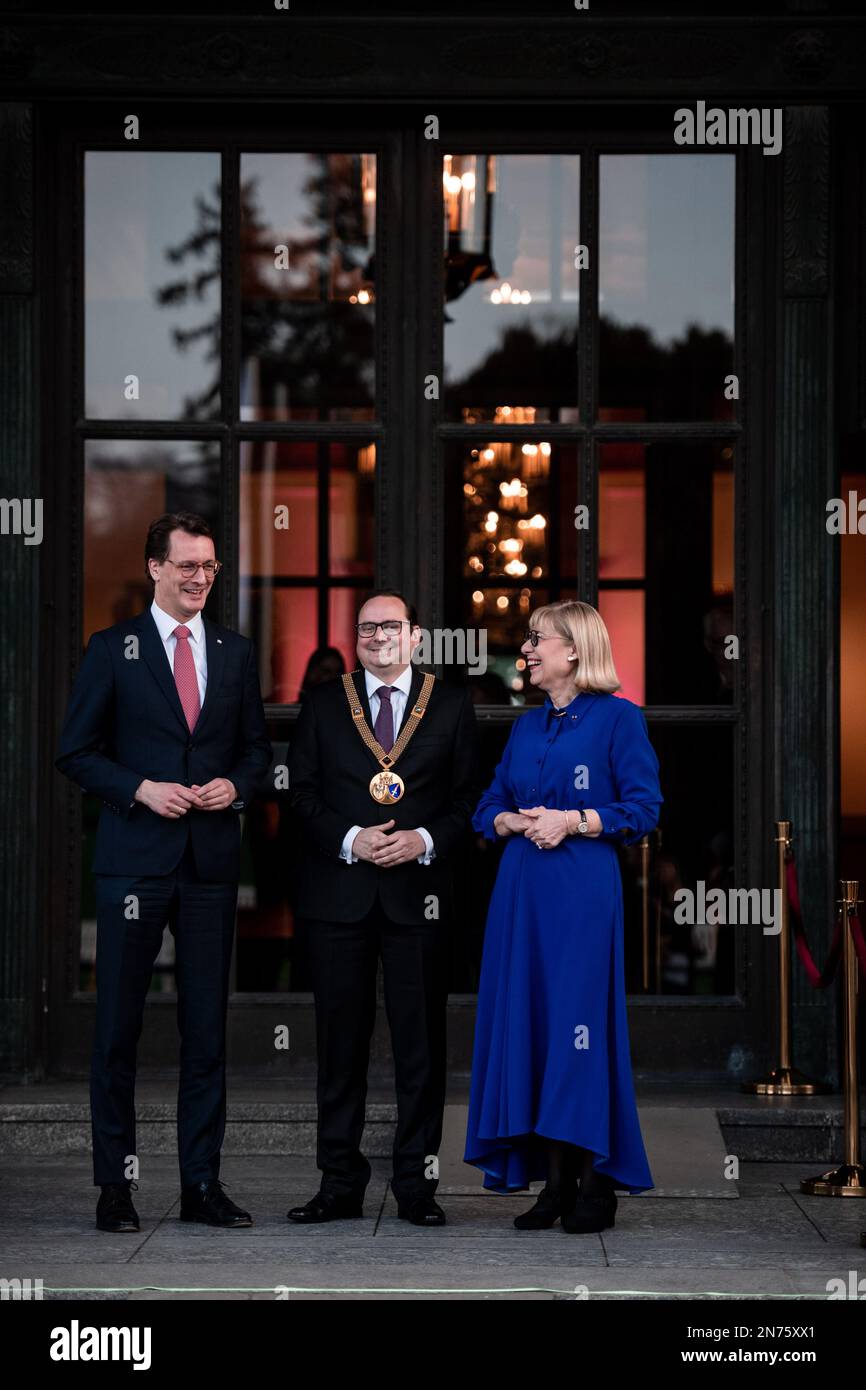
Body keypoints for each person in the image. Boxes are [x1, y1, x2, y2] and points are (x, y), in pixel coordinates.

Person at [56, 512, 272, 1234]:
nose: (199, 578)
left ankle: (201, 1186)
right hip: (133, 865)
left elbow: (255, 753)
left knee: (206, 1034)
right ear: (155, 568)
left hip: (210, 864)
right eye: (186, 565)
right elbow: (76, 753)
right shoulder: (110, 649)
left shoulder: (235, 654)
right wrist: (142, 789)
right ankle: (115, 1188)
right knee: (117, 1030)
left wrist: (234, 788)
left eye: (209, 566)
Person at [464, 599, 662, 1233]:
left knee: (578, 1028)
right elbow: (490, 800)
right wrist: (506, 818)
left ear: (573, 650)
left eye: (535, 640)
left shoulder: (619, 721)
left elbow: (645, 808)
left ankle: (593, 1182)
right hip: (521, 893)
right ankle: (551, 1184)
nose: (526, 650)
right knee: (535, 1028)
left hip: (581, 893)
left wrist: (574, 820)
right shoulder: (526, 727)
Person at [287, 590, 480, 1226]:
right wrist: (352, 839)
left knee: (419, 1048)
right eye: (367, 628)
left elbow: (468, 799)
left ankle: (416, 1187)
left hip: (417, 899)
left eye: (390, 626)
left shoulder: (450, 703)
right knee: (339, 1047)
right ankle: (339, 1184)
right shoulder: (321, 701)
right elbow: (302, 795)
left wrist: (422, 840)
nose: (377, 637)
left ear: (416, 636)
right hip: (339, 897)